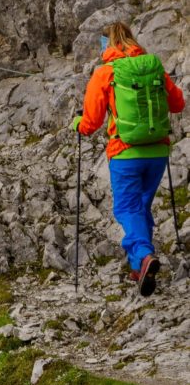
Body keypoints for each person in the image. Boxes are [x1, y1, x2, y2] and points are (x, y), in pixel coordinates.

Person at [72, 21, 185, 296]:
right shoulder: (153, 65)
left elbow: (91, 122)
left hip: (125, 153)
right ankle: (139, 267)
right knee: (141, 207)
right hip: (157, 152)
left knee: (126, 209)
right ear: (132, 40)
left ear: (107, 45)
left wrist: (77, 123)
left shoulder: (106, 73)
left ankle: (145, 255)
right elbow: (178, 103)